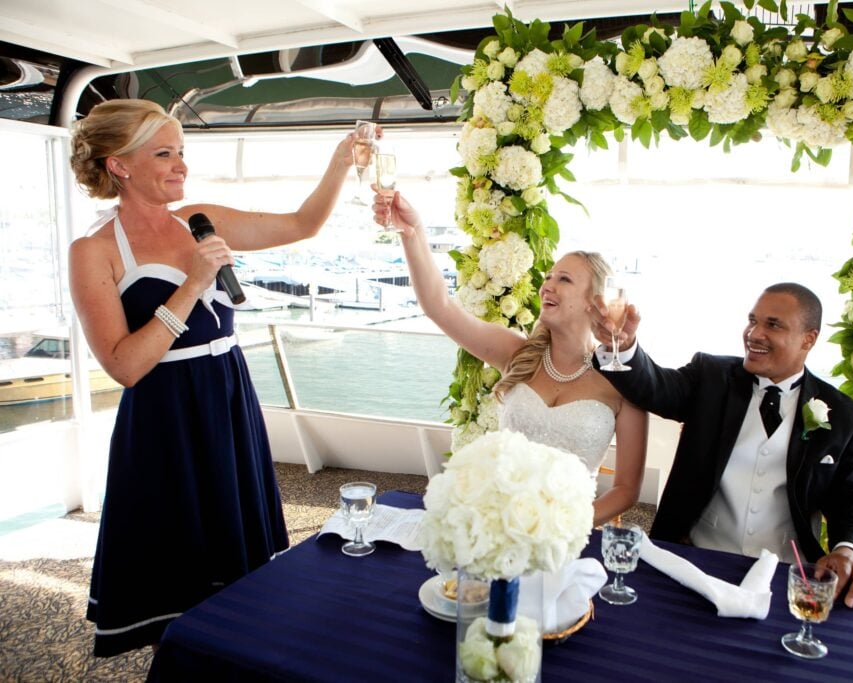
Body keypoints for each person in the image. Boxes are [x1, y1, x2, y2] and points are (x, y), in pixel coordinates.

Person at [68, 99, 366, 655]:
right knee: (178, 560)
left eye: (181, 151)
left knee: (240, 561)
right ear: (119, 166)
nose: (180, 164)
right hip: (165, 416)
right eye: (164, 153)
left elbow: (303, 225)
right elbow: (124, 365)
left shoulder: (201, 218)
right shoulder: (95, 251)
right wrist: (192, 281)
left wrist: (341, 162)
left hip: (228, 395)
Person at [593, 283, 853, 608]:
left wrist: (848, 550)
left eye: (772, 324)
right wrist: (623, 345)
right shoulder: (711, 376)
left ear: (809, 338)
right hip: (693, 560)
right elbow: (655, 388)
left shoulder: (843, 414)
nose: (754, 333)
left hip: (785, 576)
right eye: (752, 320)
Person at [370, 188, 648, 526]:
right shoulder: (516, 353)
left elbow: (627, 488)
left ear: (596, 301)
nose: (547, 286)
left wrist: (564, 527)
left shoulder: (625, 380)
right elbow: (439, 307)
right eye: (547, 277)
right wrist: (412, 232)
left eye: (564, 279)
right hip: (496, 521)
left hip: (569, 534)